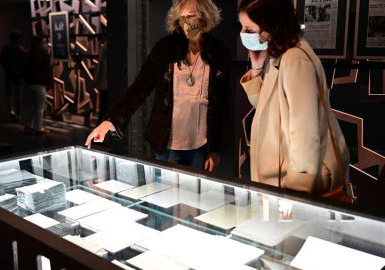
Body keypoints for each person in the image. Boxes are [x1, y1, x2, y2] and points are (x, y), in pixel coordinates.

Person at [85, 0, 232, 172]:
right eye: (182, 17)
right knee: (166, 195)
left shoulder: (219, 52)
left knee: (195, 196)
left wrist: (215, 150)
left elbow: (223, 104)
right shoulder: (166, 48)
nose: (186, 22)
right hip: (167, 144)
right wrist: (110, 121)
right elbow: (138, 89)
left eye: (191, 16)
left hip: (200, 145)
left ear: (205, 16)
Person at [238, 0, 350, 196]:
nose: (243, 33)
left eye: (249, 28)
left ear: (269, 27)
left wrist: (297, 187)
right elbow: (265, 109)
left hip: (290, 182)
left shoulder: (294, 59)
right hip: (279, 178)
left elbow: (305, 129)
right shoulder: (278, 54)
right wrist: (256, 69)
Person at [22, 35, 52, 135]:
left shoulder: (30, 53)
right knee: (39, 107)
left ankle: (28, 124)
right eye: (43, 42)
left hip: (31, 83)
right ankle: (38, 128)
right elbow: (45, 70)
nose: (45, 44)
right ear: (38, 43)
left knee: (32, 105)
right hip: (40, 83)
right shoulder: (41, 55)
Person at [0, 29, 26, 123]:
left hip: (9, 73)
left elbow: (1, 60)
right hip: (19, 74)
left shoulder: (6, 47)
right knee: (19, 95)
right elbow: (24, 63)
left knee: (10, 94)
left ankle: (12, 112)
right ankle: (18, 115)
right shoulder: (21, 49)